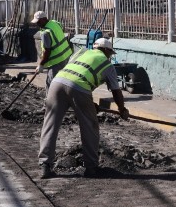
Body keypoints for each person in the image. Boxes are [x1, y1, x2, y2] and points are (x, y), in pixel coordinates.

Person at [37, 37, 129, 179]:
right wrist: (122, 109)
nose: (110, 56)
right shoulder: (107, 65)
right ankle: (91, 168)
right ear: (106, 50)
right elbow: (116, 91)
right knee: (90, 126)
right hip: (80, 87)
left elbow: (72, 78)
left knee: (50, 124)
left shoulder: (81, 52)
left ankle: (45, 165)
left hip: (57, 82)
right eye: (110, 53)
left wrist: (88, 104)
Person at [31, 10, 74, 90]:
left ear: (44, 19)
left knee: (51, 84)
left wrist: (41, 65)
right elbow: (61, 30)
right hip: (67, 56)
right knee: (63, 81)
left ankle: (50, 101)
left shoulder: (45, 33)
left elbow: (47, 50)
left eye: (38, 22)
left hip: (56, 61)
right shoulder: (55, 23)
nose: (37, 24)